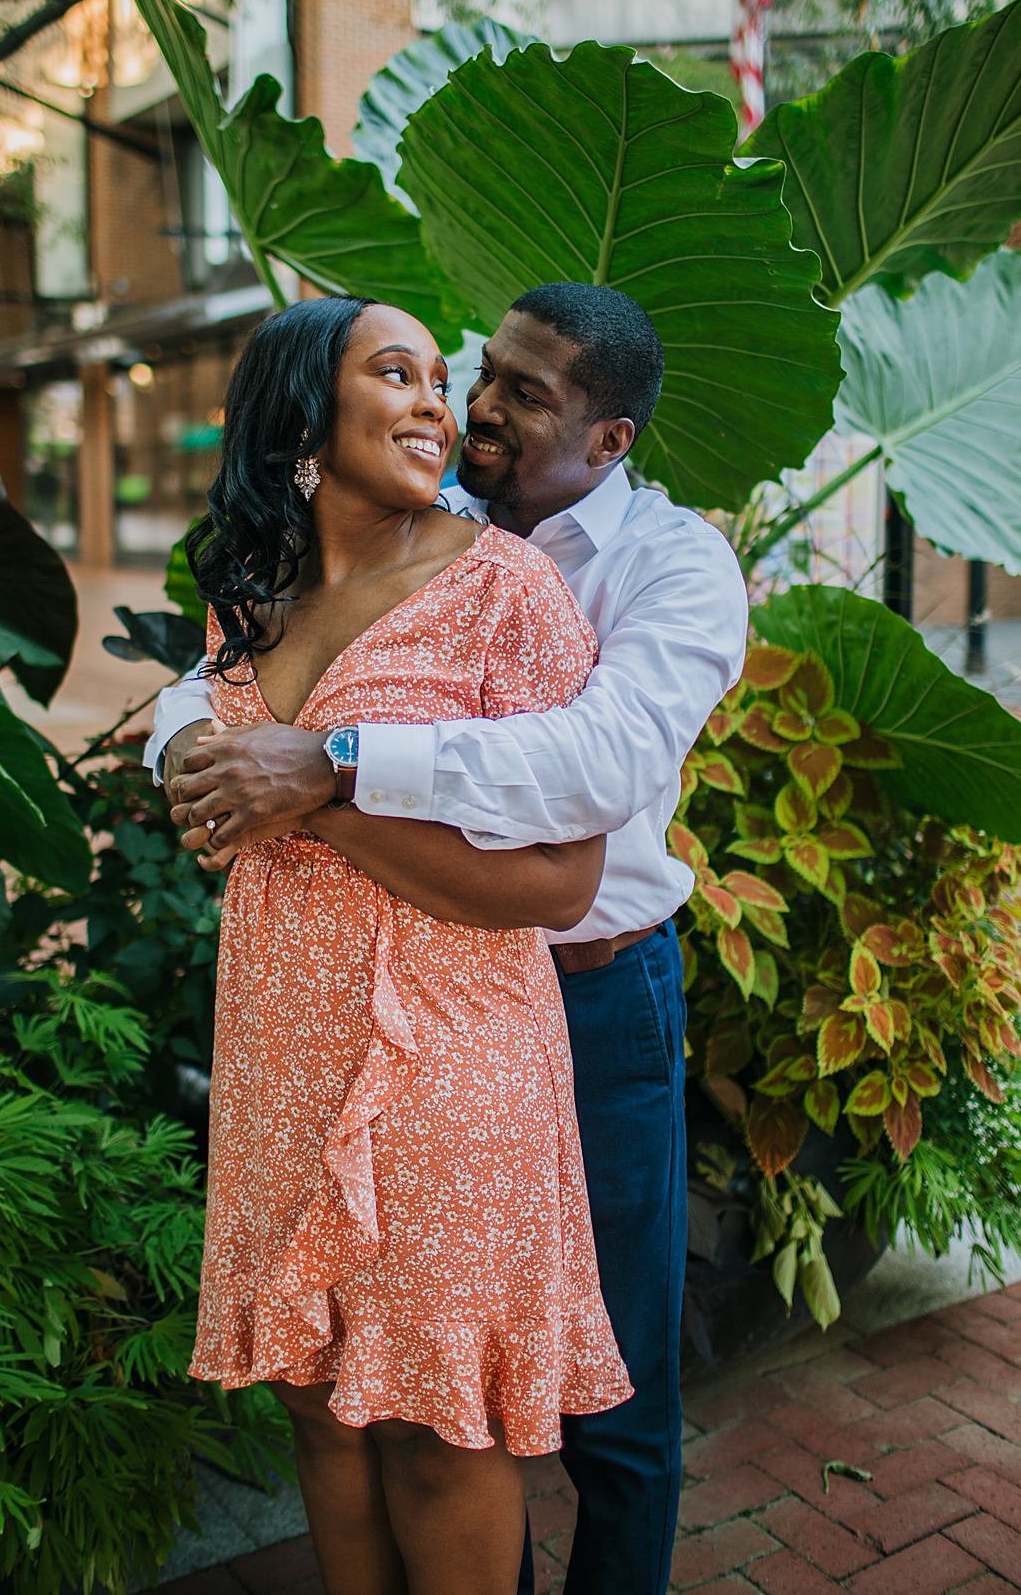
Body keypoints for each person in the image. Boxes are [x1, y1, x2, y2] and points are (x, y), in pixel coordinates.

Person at [152, 283, 749, 1594]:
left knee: (588, 1403)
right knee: (330, 1393)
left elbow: (592, 776)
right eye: (461, 375)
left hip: (559, 999)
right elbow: (207, 702)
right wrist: (185, 747)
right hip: (298, 1035)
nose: (470, 406)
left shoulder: (654, 569)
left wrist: (327, 777)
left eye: (514, 395)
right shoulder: (314, 556)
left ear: (610, 440)